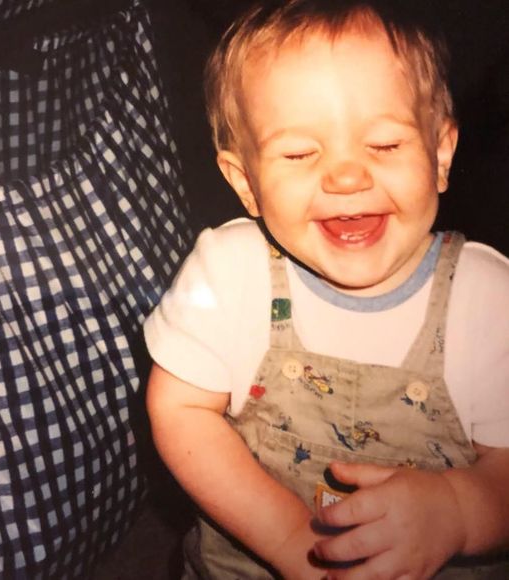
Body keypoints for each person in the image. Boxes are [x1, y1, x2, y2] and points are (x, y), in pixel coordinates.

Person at [144, 0, 509, 577]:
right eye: (299, 153)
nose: (346, 176)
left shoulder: (488, 300)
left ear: (441, 153)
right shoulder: (226, 269)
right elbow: (181, 409)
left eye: (384, 145)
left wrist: (459, 510)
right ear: (245, 182)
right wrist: (293, 540)